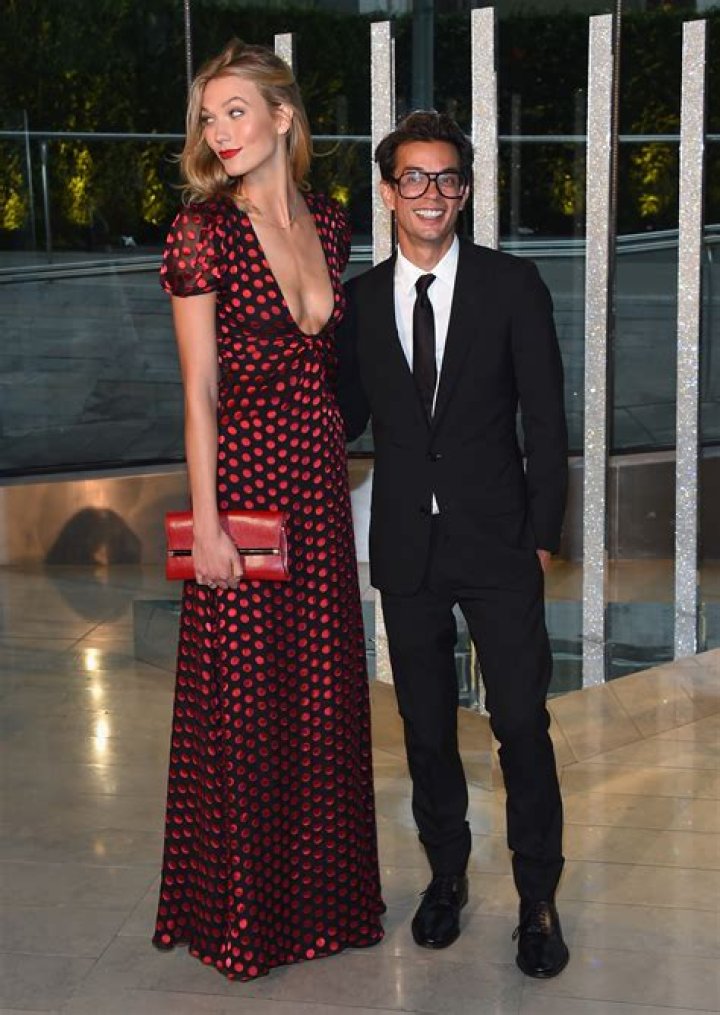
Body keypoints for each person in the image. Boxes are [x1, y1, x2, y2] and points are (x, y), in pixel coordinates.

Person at [153, 39, 384, 980]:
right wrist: (207, 524)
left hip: (318, 484)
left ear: (283, 117)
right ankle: (244, 917)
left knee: (322, 697)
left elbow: (335, 368)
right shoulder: (202, 231)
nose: (220, 131)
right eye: (210, 117)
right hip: (243, 483)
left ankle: (327, 904)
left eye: (236, 111)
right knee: (246, 703)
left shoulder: (329, 223)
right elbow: (199, 391)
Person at [336, 111, 569, 978]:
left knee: (522, 723)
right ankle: (446, 875)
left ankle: (538, 898)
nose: (429, 193)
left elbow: (547, 422)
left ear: (464, 191)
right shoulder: (361, 302)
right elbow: (342, 416)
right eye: (414, 177)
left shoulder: (513, 286)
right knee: (426, 725)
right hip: (407, 549)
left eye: (445, 178)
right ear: (388, 192)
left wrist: (540, 538)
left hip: (501, 545)